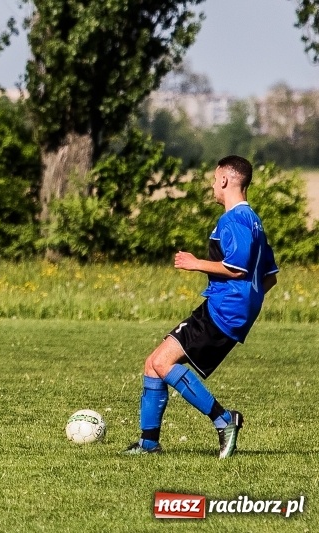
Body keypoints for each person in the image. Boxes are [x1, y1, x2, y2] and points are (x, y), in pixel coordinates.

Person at [123, 155, 278, 458]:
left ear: (224, 180)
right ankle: (148, 443)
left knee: (163, 363)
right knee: (153, 362)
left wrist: (195, 263)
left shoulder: (233, 220)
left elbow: (238, 267)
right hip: (230, 307)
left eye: (213, 179)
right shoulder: (254, 221)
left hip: (224, 309)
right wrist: (250, 300)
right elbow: (269, 276)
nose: (211, 185)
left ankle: (224, 420)